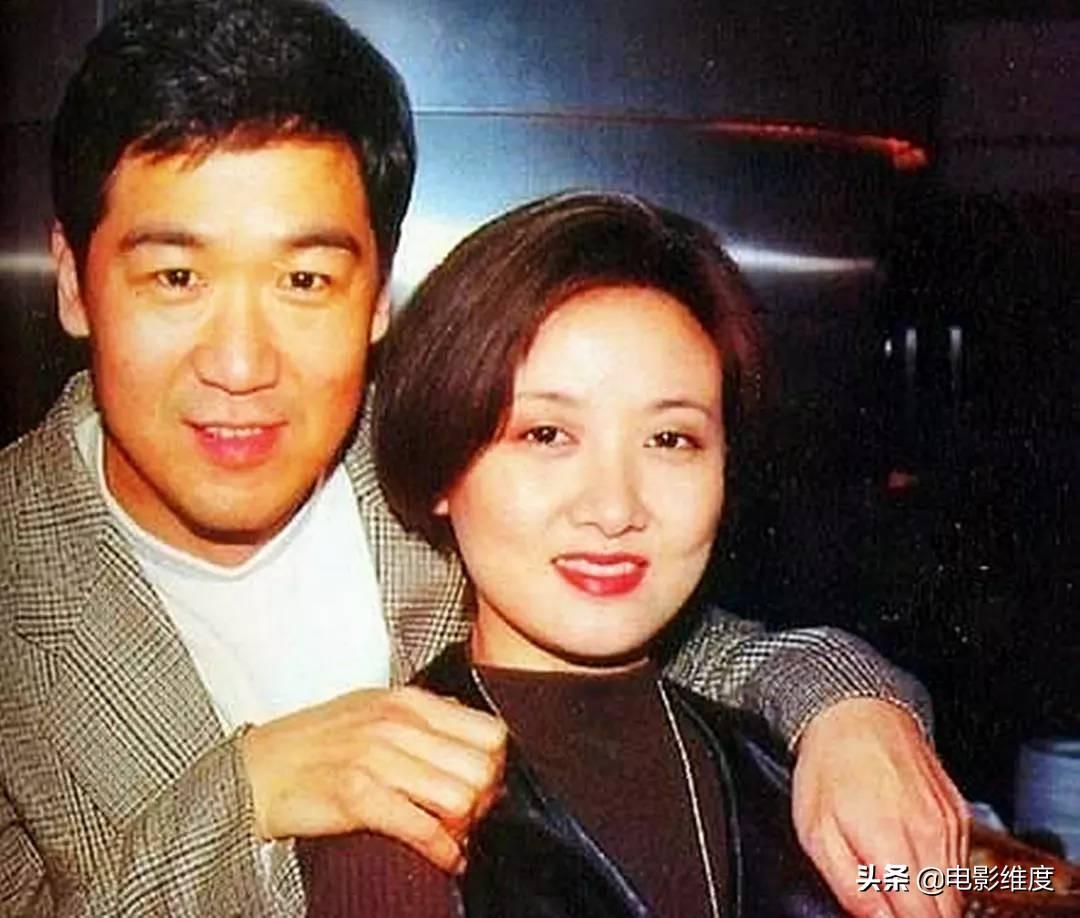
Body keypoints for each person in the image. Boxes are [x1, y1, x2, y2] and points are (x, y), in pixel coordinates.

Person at [0, 0, 964, 915]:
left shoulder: (449, 460)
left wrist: (850, 711)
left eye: (306, 279)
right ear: (75, 284)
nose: (241, 366)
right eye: (176, 276)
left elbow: (666, 649)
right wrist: (246, 795)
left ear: (377, 298)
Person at [300, 190, 846, 916]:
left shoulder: (803, 764)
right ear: (443, 466)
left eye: (670, 439)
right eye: (546, 435)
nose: (614, 509)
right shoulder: (393, 809)